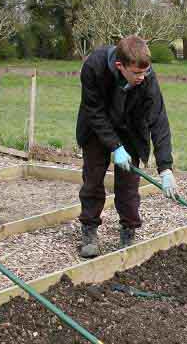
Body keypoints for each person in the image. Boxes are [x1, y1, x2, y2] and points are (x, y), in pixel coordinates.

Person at [76, 35, 177, 258]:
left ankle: (129, 228)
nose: (142, 77)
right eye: (136, 73)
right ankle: (89, 229)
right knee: (92, 179)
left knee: (129, 185)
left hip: (130, 128)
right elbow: (93, 110)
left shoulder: (147, 77)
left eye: (145, 72)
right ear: (119, 66)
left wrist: (165, 167)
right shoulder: (94, 66)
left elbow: (158, 120)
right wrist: (114, 146)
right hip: (96, 126)